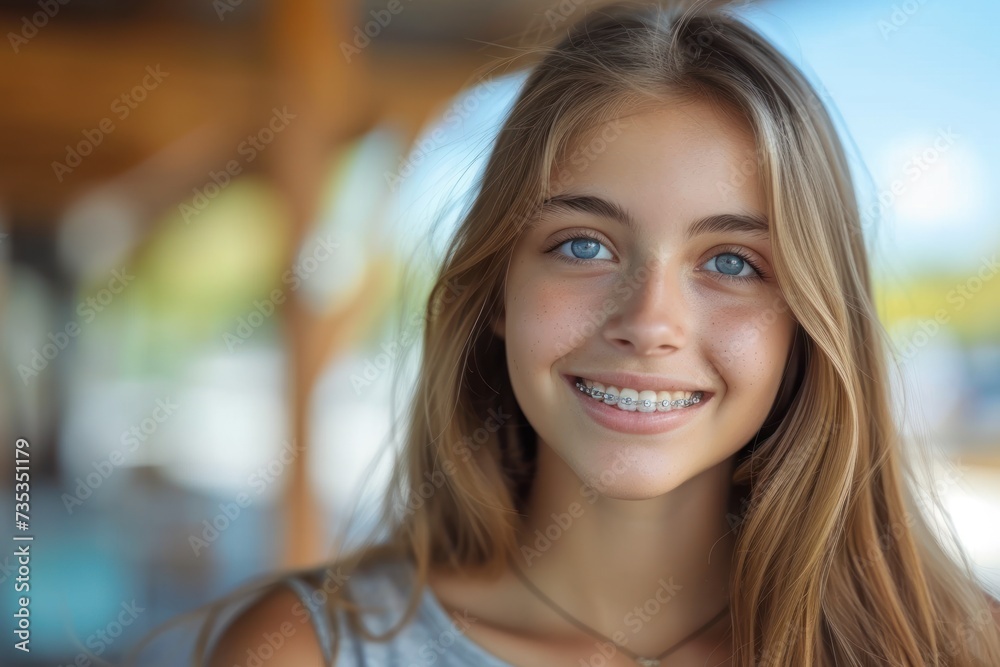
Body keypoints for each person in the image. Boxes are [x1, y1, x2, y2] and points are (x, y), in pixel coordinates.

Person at [138, 1, 1000, 665]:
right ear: (498, 291)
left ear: (810, 323)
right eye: (583, 244)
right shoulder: (307, 649)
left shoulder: (956, 645)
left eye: (733, 261)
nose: (649, 321)